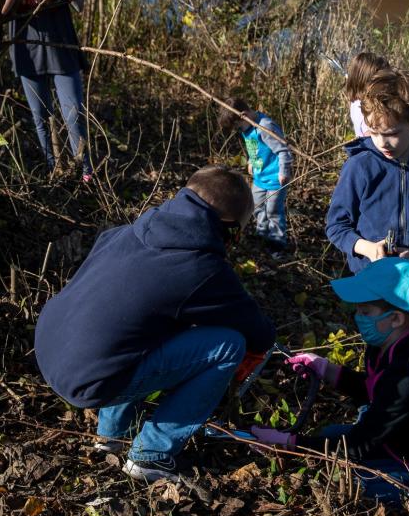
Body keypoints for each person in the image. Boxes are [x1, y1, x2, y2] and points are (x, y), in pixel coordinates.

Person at [34, 165, 276, 483]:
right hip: (90, 381)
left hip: (49, 352)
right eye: (238, 233)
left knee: (140, 328)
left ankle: (112, 437)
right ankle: (151, 455)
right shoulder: (202, 269)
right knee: (228, 346)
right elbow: (260, 333)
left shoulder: (123, 233)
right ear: (227, 227)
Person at [249, 257, 409, 514]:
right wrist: (326, 369)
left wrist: (289, 442)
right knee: (331, 435)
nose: (358, 317)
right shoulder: (382, 347)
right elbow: (374, 391)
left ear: (396, 318)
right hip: (399, 446)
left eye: (365, 312)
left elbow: (357, 445)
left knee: (354, 482)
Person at [326, 70, 409, 280]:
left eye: (392, 133)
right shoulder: (359, 166)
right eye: (373, 132)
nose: (382, 142)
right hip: (368, 275)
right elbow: (336, 225)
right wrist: (368, 249)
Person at [1, 0, 93, 182]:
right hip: (28, 52)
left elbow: (79, 5)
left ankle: (85, 170)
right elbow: (1, 13)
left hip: (62, 49)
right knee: (41, 116)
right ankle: (53, 167)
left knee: (73, 111)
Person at [218, 97, 293, 255]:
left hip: (275, 179)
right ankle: (262, 234)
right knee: (257, 206)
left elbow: (283, 150)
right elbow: (254, 148)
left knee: (273, 210)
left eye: (238, 127)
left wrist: (284, 171)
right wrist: (251, 162)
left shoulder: (265, 127)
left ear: (244, 115)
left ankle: (277, 243)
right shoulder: (247, 127)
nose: (239, 131)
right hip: (259, 177)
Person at [343, 51, 390, 138]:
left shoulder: (358, 102)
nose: (386, 84)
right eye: (381, 80)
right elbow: (371, 136)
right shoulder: (361, 107)